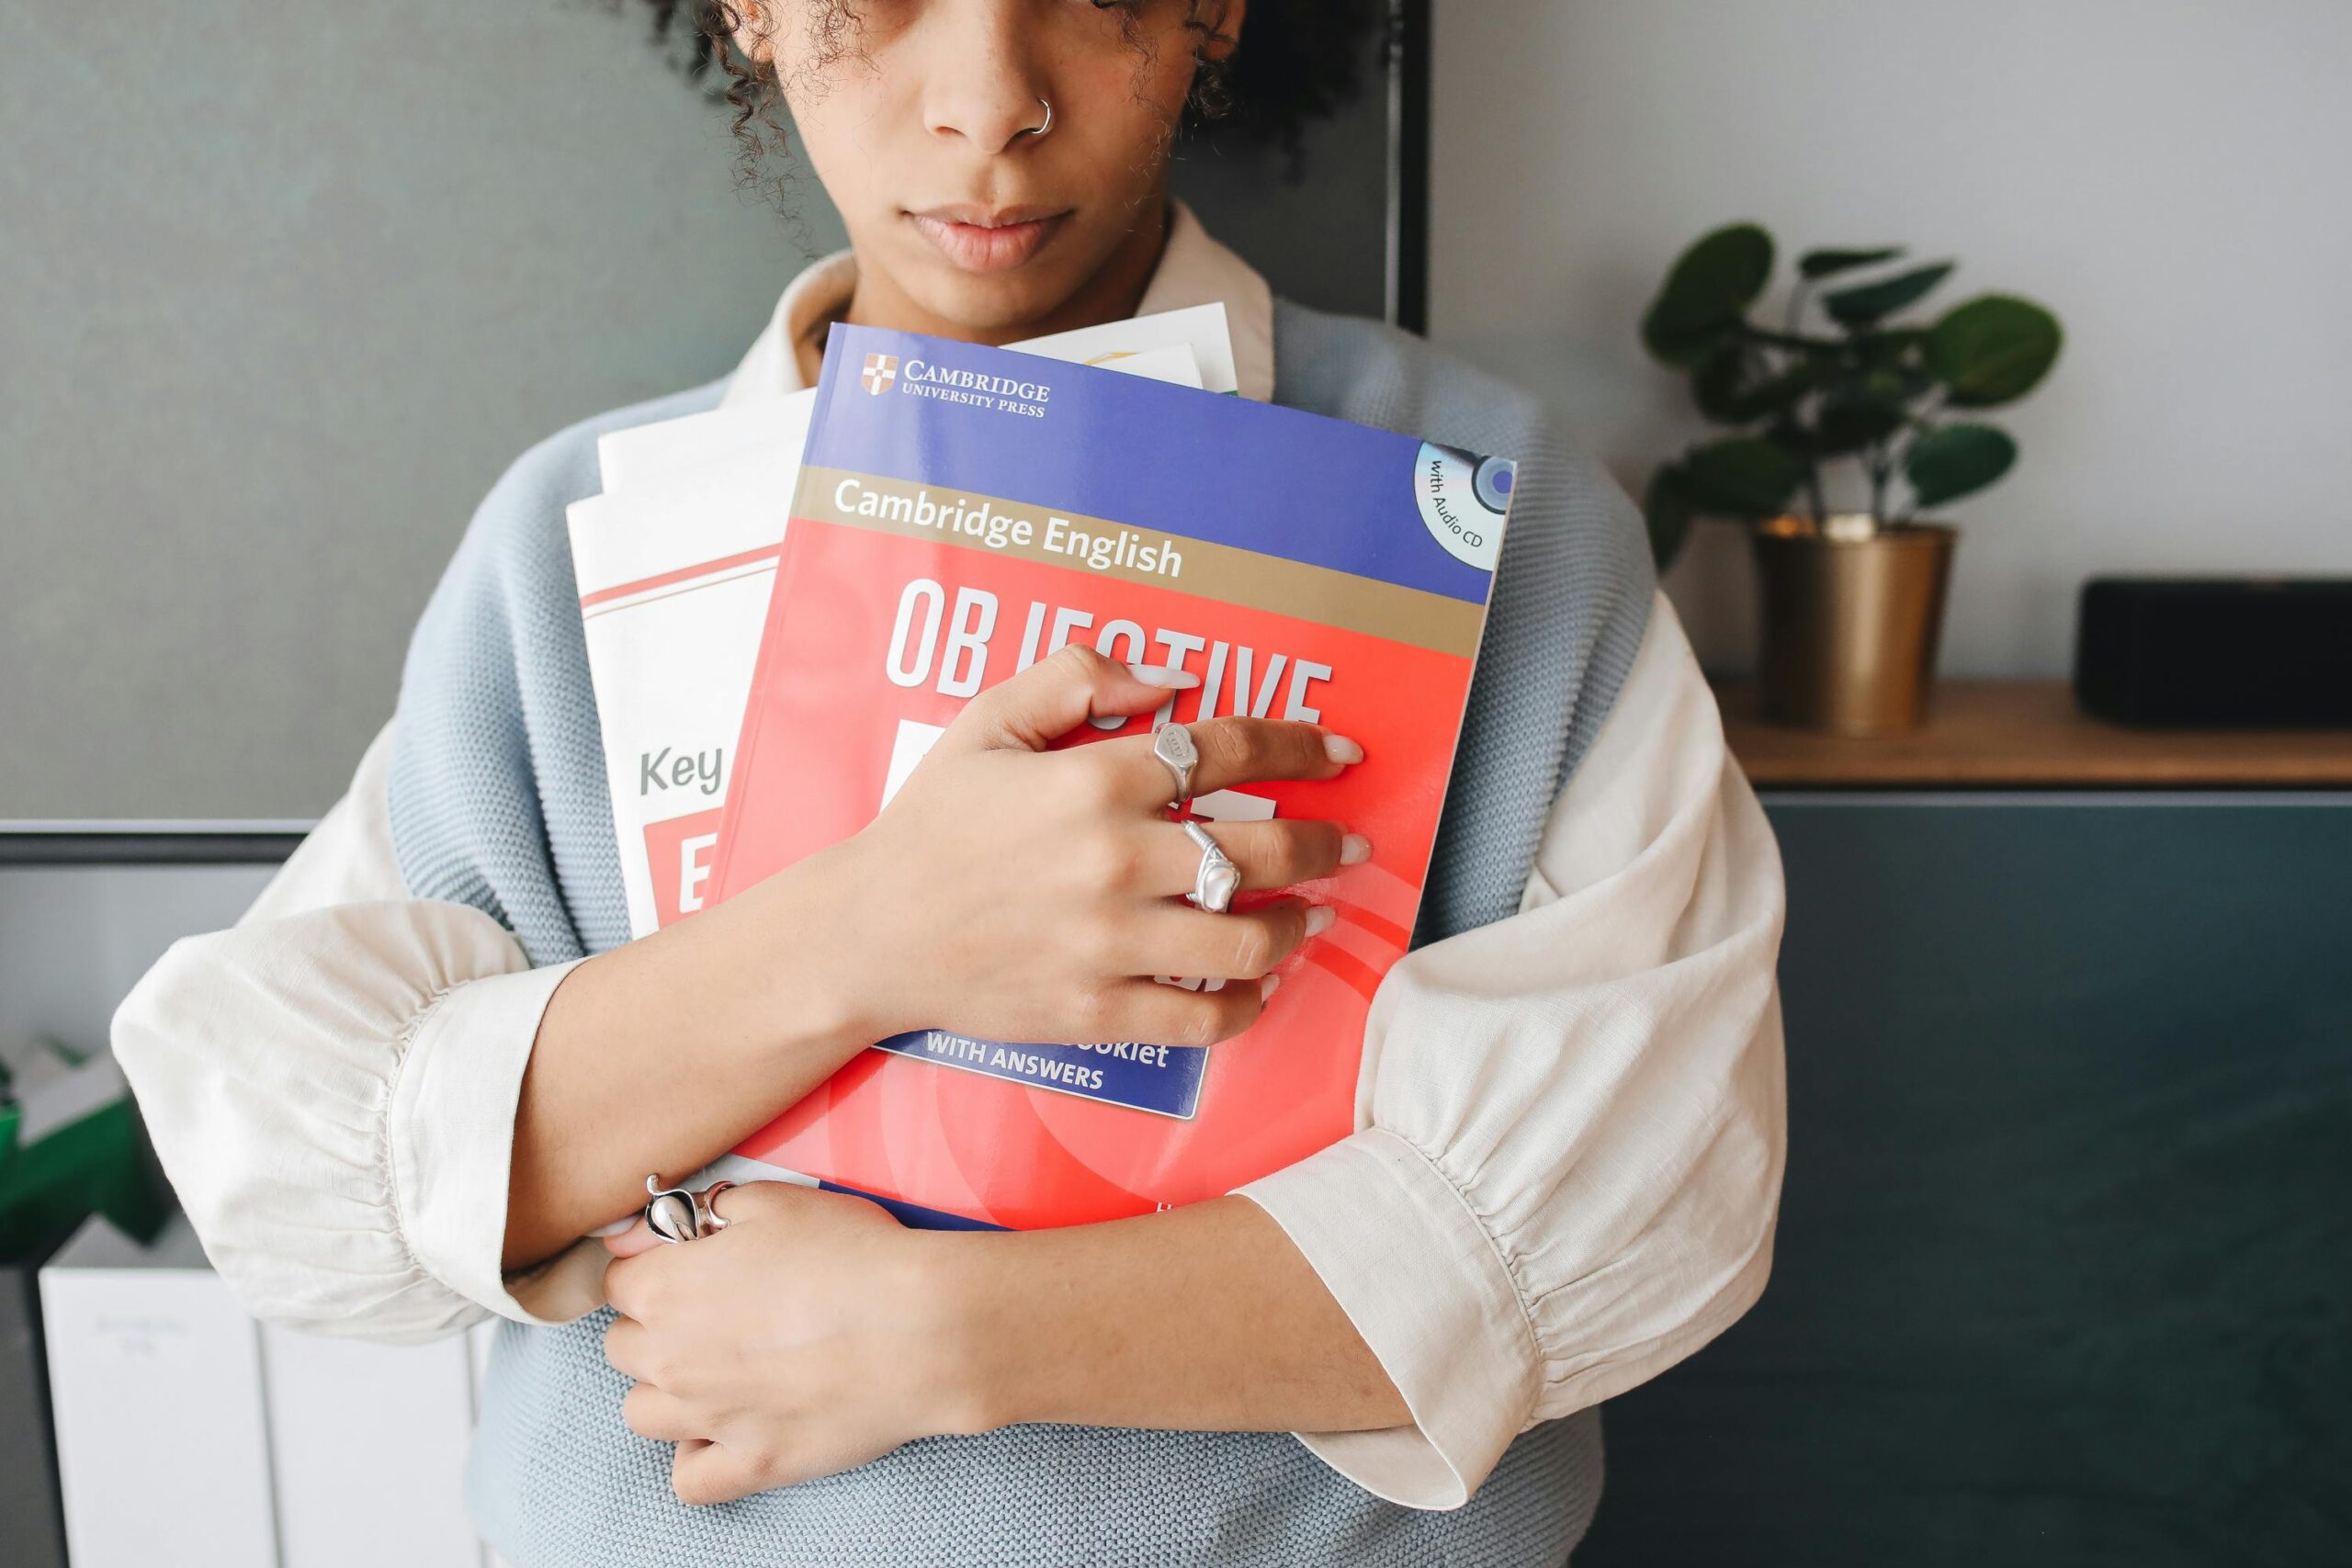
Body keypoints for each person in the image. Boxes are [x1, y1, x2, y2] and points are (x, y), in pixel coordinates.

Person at [112, 3, 1788, 1563]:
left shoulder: (1485, 509)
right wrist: (876, 935)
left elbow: (1640, 1192)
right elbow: (305, 1144)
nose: (991, 101)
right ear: (748, 5)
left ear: (1216, 3)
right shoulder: (580, 543)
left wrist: (933, 1336)